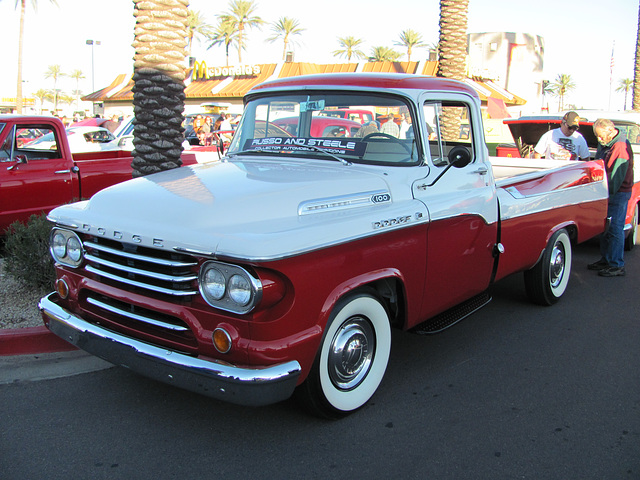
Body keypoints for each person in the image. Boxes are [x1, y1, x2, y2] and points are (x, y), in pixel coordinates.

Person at [587, 118, 634, 277]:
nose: (599, 140)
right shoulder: (608, 143)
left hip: (617, 193)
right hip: (609, 191)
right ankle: (606, 259)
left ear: (610, 131)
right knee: (606, 228)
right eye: (597, 137)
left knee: (614, 228)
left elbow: (616, 177)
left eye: (601, 136)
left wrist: (606, 195)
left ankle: (616, 264)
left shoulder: (619, 146)